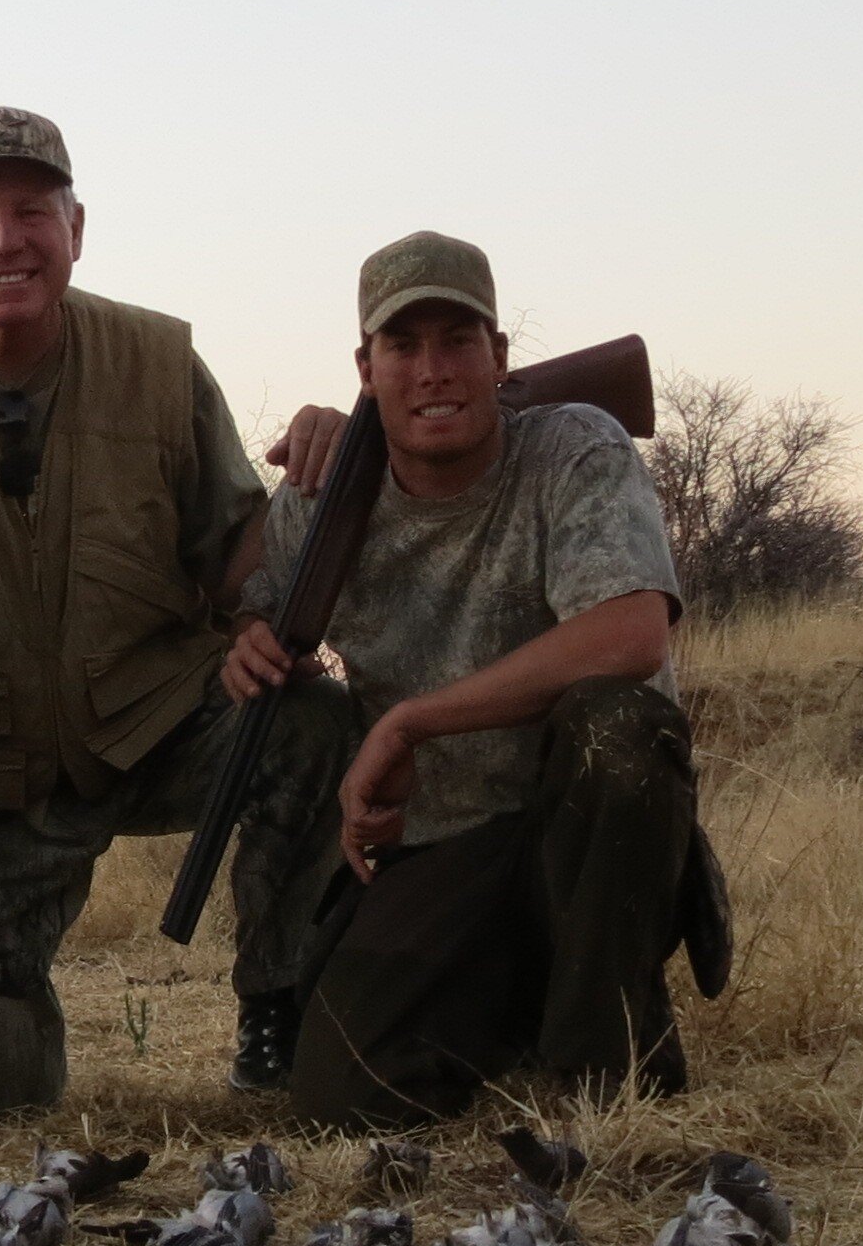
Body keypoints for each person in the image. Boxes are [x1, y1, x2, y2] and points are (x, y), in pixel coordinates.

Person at [0, 106, 355, 1113]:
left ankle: (277, 1012)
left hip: (147, 723)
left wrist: (324, 475)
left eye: (32, 211)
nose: (6, 240)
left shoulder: (161, 364)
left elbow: (231, 557)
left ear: (75, 229)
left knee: (308, 719)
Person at [228, 229, 722, 1126]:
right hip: (443, 844)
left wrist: (410, 722)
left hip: (583, 828)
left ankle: (599, 1072)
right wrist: (248, 633)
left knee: (618, 724)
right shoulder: (319, 498)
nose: (432, 371)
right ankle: (522, 1013)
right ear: (365, 367)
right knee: (342, 1102)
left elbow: (630, 634)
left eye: (458, 341)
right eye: (402, 346)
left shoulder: (575, 444)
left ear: (499, 357)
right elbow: (248, 596)